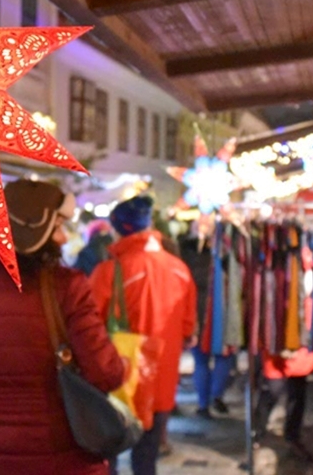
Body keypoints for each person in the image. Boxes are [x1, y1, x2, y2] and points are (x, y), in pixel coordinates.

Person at [0, 180, 125, 474]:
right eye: (57, 228)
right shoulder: (68, 288)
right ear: (37, 234)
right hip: (64, 455)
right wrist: (123, 364)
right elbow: (105, 373)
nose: (64, 238)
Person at [89, 196, 197, 475]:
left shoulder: (109, 272)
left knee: (107, 454)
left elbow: (88, 325)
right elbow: (188, 328)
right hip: (162, 379)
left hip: (118, 380)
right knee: (147, 458)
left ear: (119, 228)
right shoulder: (180, 270)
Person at [180, 215, 235, 419]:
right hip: (217, 310)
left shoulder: (184, 252)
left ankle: (205, 403)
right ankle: (214, 397)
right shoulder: (222, 252)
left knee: (202, 360)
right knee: (222, 357)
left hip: (196, 311)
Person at [254, 348, 313, 462]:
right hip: (276, 345)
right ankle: (256, 434)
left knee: (296, 396)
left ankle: (293, 437)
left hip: (300, 350)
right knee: (272, 392)